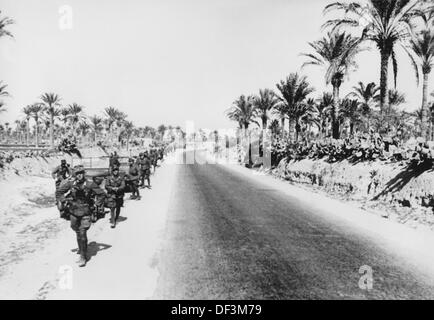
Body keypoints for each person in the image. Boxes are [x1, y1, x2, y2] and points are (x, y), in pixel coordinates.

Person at [56, 165, 106, 267]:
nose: (79, 176)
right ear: (75, 175)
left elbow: (102, 194)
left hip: (86, 211)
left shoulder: (90, 184)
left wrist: (97, 204)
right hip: (73, 211)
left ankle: (83, 256)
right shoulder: (71, 184)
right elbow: (59, 192)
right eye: (77, 174)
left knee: (83, 233)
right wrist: (64, 200)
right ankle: (82, 248)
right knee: (76, 230)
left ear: (84, 174)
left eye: (81, 173)